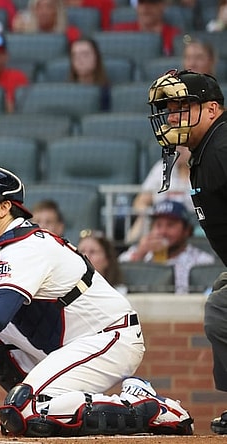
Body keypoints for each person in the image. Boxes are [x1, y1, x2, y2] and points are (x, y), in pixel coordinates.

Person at [0, 164, 193, 438]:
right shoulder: (7, 245)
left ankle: (148, 406)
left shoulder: (24, 247)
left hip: (109, 337)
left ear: (4, 207)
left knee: (25, 413)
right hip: (71, 341)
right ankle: (33, 396)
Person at [147, 69, 227, 432]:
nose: (173, 116)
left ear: (212, 109)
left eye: (183, 107)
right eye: (170, 109)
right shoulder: (207, 149)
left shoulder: (223, 147)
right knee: (221, 311)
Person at [119, 200, 215, 294]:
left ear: (187, 230)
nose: (163, 231)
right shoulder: (139, 251)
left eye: (170, 225)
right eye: (158, 225)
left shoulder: (202, 261)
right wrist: (140, 255)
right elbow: (116, 279)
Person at [110, 0, 179, 57]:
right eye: (142, 3)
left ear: (162, 6)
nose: (145, 8)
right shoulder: (121, 32)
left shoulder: (175, 35)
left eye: (152, 3)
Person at [77, 229, 126, 293]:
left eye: (92, 252)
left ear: (107, 259)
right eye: (82, 251)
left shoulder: (119, 293)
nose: (86, 256)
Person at [68, 38, 110, 111]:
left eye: (85, 54)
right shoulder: (66, 93)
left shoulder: (108, 94)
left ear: (96, 58)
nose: (79, 59)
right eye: (74, 55)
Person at [12, 0, 80, 43]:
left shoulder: (71, 34)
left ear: (57, 10)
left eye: (49, 7)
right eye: (39, 7)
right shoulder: (24, 33)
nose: (43, 12)